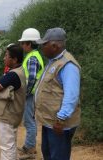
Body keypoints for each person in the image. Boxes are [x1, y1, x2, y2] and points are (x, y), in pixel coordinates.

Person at [35, 27, 81, 160]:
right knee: (48, 153)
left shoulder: (68, 65)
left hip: (59, 124)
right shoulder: (54, 61)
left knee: (58, 156)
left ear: (54, 46)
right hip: (50, 121)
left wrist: (61, 119)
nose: (42, 48)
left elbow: (71, 96)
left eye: (44, 44)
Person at [0, 44, 26, 160]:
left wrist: (0, 80)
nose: (4, 58)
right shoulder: (20, 70)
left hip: (8, 115)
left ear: (15, 59)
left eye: (6, 56)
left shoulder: (13, 75)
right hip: (14, 114)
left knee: (6, 147)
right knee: (11, 144)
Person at [18, 28, 44, 159]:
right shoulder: (34, 55)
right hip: (33, 94)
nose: (22, 45)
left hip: (30, 95)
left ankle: (30, 149)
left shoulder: (32, 58)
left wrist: (26, 93)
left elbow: (32, 78)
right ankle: (29, 146)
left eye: (23, 43)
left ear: (29, 43)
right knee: (30, 121)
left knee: (29, 122)